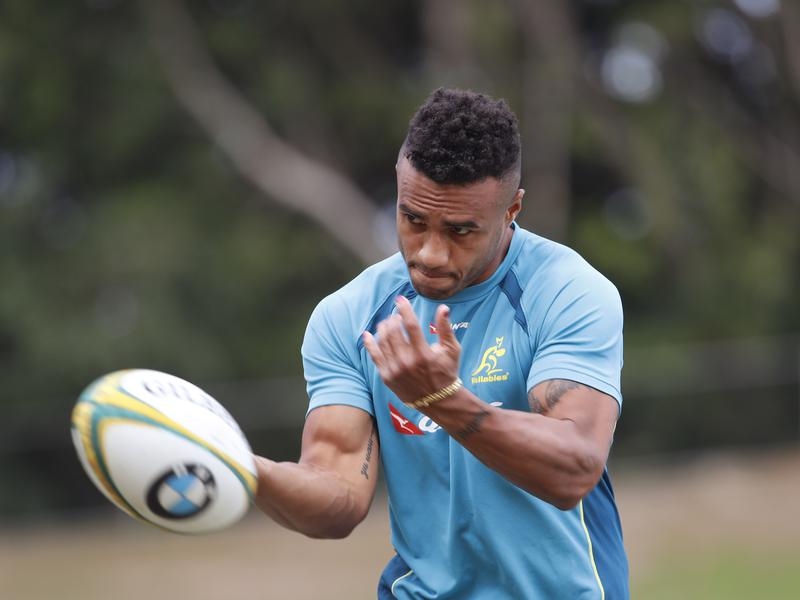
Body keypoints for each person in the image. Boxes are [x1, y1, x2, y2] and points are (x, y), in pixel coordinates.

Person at [254, 87, 629, 599]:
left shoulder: (568, 291)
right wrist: (241, 467)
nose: (430, 253)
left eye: (460, 231)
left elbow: (574, 469)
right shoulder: (348, 316)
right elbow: (337, 500)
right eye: (413, 220)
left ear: (512, 208)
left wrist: (440, 398)